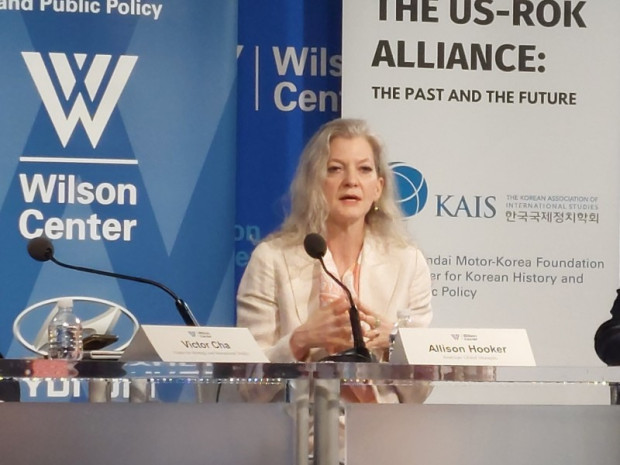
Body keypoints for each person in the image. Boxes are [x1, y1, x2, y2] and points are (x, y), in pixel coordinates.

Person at [236, 118, 432, 370]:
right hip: (298, 398)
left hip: (380, 398)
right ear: (315, 182)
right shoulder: (271, 259)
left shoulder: (408, 262)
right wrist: (299, 341)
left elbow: (422, 386)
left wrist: (395, 345)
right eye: (335, 169)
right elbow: (247, 379)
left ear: (378, 188)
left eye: (364, 169)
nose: (351, 181)